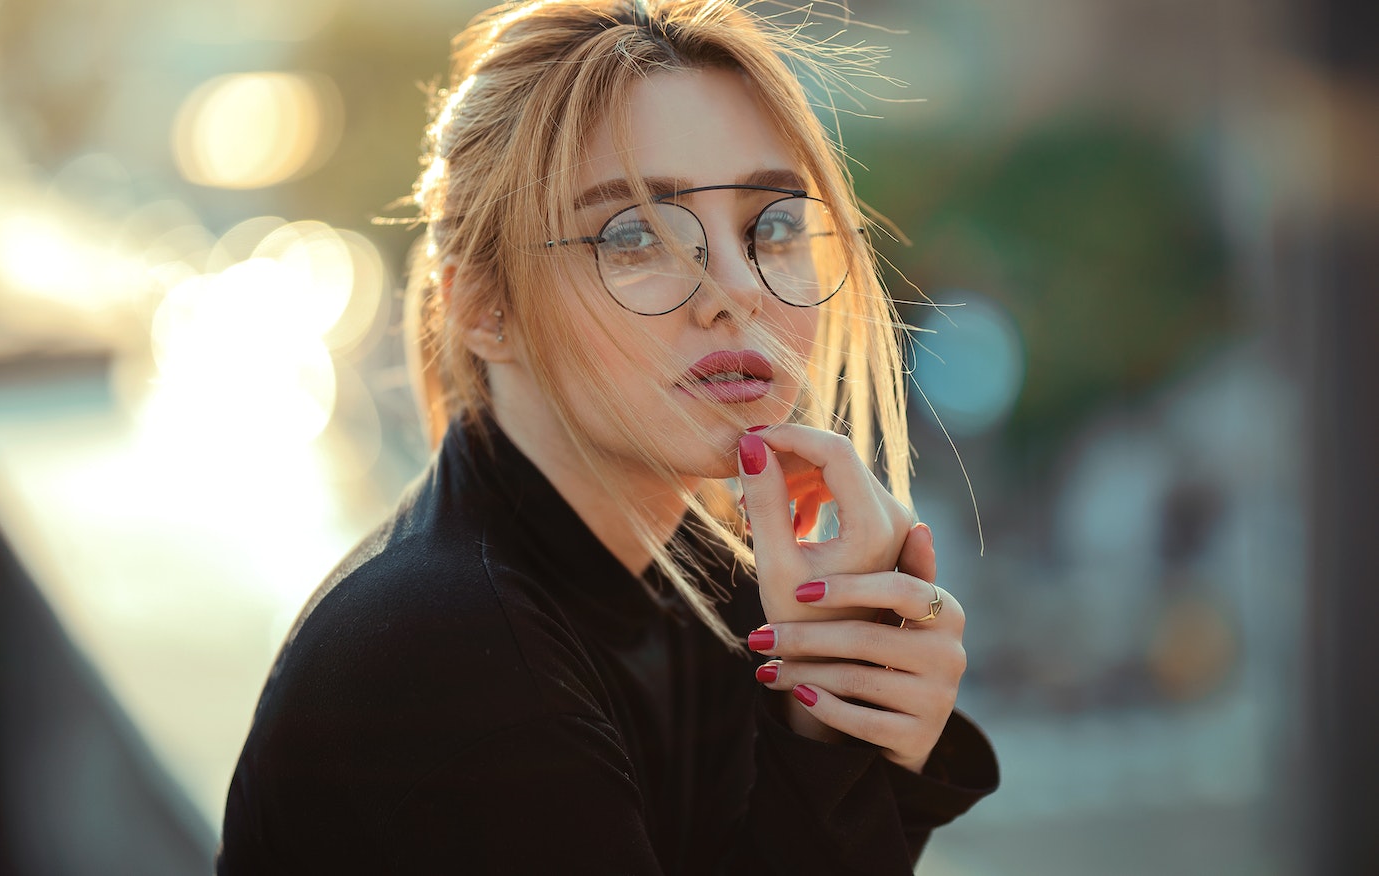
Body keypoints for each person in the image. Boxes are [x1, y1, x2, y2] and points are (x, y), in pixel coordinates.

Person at [217, 0, 998, 872]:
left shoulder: (719, 599)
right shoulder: (448, 661)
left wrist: (840, 720)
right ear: (483, 306)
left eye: (772, 225)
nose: (736, 289)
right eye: (636, 236)